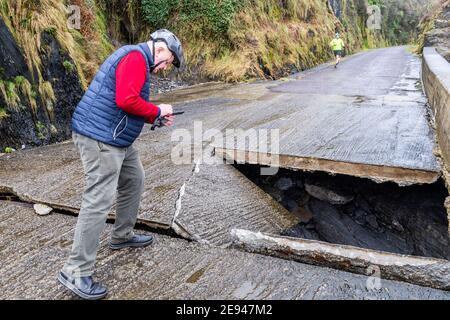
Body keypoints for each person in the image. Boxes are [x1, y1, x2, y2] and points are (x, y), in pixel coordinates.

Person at [58, 29, 184, 300]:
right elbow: (126, 100)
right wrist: (157, 110)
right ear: (161, 49)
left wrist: (154, 117)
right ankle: (76, 271)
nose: (164, 68)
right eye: (168, 62)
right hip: (100, 138)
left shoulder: (137, 59)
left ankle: (122, 234)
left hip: (115, 137)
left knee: (134, 179)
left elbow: (128, 101)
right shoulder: (136, 58)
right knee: (98, 199)